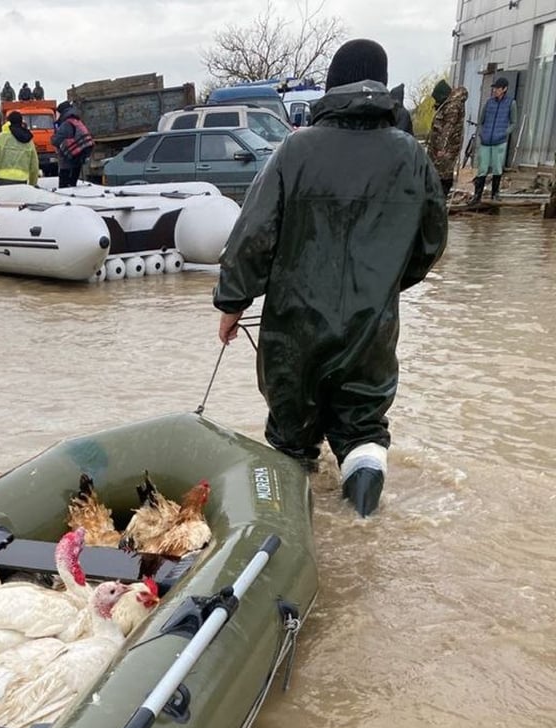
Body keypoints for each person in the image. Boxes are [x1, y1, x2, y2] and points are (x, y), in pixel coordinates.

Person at [212, 38, 448, 517]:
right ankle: (362, 526)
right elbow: (431, 243)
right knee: (362, 430)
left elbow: (253, 234)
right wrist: (382, 284)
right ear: (383, 86)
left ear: (332, 85)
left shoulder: (295, 149)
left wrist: (232, 303)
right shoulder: (410, 154)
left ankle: (295, 534)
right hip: (371, 330)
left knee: (290, 439)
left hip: (293, 328)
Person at [473, 76, 518, 202]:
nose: (495, 90)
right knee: (482, 168)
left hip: (499, 141)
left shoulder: (511, 103)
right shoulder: (489, 103)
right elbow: (481, 120)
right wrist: (481, 133)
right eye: (494, 88)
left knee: (497, 168)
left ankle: (495, 194)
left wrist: (504, 133)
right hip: (486, 141)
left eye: (498, 88)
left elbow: (514, 122)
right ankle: (477, 196)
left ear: (504, 89)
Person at [426, 80, 468, 197]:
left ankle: (441, 197)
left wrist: (442, 148)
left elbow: (448, 129)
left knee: (444, 174)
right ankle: (436, 196)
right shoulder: (446, 104)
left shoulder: (452, 106)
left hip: (447, 148)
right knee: (436, 172)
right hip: (439, 147)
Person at [0, 111, 40, 186]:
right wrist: (33, 183)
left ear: (8, 122)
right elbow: (34, 164)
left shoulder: (2, 137)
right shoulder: (28, 140)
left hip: (2, 179)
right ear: (21, 122)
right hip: (21, 179)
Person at [51, 100, 94, 188]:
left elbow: (56, 140)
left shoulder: (66, 124)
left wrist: (53, 137)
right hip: (77, 159)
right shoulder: (76, 120)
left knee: (65, 188)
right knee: (73, 185)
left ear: (62, 112)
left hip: (67, 162)